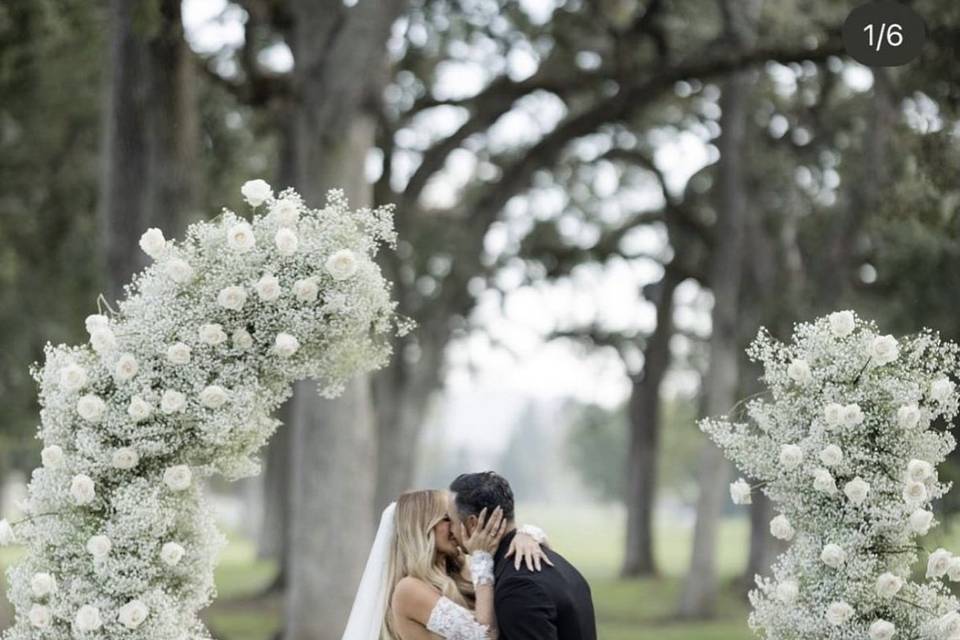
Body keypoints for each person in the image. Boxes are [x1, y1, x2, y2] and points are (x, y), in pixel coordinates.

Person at [341, 489, 550, 640]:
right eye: (448, 518)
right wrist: (481, 556)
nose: (459, 525)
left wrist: (527, 534)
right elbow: (485, 635)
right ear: (424, 527)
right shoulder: (408, 589)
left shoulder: (458, 574)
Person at [448, 472, 597, 640]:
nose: (450, 531)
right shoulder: (561, 565)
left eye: (451, 521)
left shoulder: (518, 586)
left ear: (473, 523)